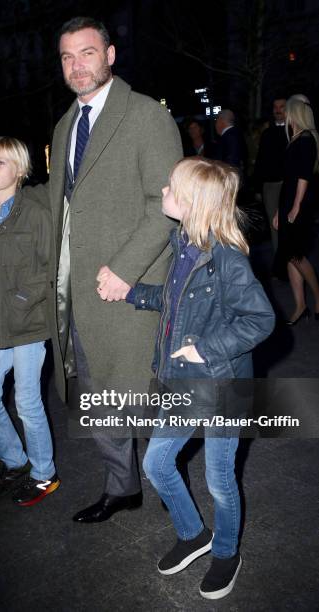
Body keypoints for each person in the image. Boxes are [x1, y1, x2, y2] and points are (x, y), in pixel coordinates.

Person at [0, 17, 183, 523]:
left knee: (144, 396)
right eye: (67, 57)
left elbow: (166, 204)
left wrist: (127, 271)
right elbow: (64, 196)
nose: (76, 65)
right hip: (79, 290)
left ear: (110, 55)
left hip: (132, 288)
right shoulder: (67, 123)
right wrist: (7, 195)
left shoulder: (146, 116)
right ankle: (122, 486)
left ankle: (181, 498)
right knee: (99, 391)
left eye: (87, 53)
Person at [126, 157, 275, 599]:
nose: (164, 191)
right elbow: (175, 303)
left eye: (171, 187)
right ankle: (193, 534)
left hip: (223, 384)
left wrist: (205, 348)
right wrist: (133, 292)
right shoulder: (184, 243)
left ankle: (226, 551)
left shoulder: (226, 258)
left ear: (192, 202)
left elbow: (261, 319)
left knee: (219, 479)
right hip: (185, 382)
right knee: (156, 463)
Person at [0, 136, 59, 507]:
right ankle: (15, 461)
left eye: (1, 163)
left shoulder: (35, 214)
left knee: (26, 401)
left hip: (28, 324)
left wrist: (22, 302)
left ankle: (43, 474)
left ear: (19, 170)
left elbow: (48, 268)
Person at [273, 94, 319, 324]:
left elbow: (304, 177)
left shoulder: (306, 139)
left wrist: (295, 207)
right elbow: (290, 178)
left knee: (297, 254)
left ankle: (318, 296)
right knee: (290, 255)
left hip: (298, 202)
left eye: (288, 111)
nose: (286, 115)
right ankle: (300, 305)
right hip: (288, 201)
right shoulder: (297, 139)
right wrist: (278, 212)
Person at [254, 98, 288, 253]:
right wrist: (258, 188)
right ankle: (280, 263)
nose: (278, 110)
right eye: (275, 107)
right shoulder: (267, 133)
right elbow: (261, 161)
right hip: (270, 186)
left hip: (289, 184)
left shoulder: (294, 130)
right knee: (274, 226)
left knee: (289, 223)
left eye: (281, 107)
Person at [214, 109, 247, 177]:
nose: (215, 124)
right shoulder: (236, 134)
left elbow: (231, 161)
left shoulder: (229, 136)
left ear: (221, 121)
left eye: (216, 121)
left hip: (229, 178)